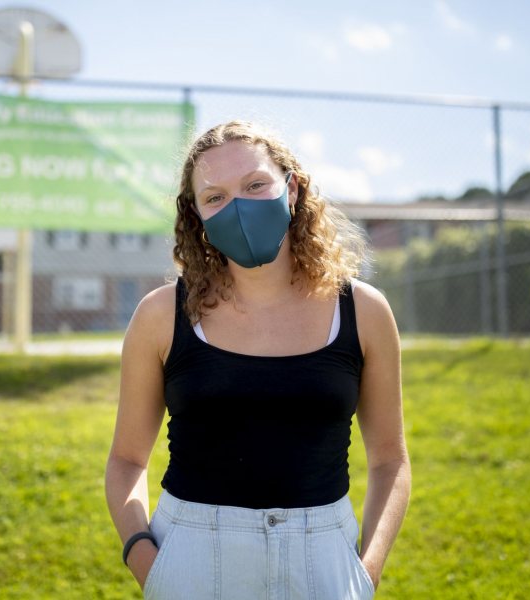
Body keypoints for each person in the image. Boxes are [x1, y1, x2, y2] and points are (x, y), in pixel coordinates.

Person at [105, 121, 410, 599]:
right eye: (215, 197)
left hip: (324, 560)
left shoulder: (364, 310)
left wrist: (365, 572)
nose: (239, 207)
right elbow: (126, 460)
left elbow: (391, 461)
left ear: (291, 190)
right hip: (191, 557)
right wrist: (147, 561)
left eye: (254, 185)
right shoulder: (161, 315)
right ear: (197, 216)